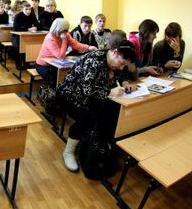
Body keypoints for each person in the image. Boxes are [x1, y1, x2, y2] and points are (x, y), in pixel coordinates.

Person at [56, 40, 138, 172]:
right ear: (115, 52)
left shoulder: (113, 61)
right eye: (122, 63)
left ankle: (100, 143)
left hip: (91, 96)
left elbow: (120, 74)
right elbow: (87, 90)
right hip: (69, 95)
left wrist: (125, 82)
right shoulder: (93, 61)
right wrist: (109, 92)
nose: (122, 67)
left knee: (112, 109)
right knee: (89, 114)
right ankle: (69, 152)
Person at [36, 18, 95, 88]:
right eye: (64, 30)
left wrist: (88, 47)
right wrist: (64, 40)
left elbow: (75, 44)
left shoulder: (65, 34)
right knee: (55, 78)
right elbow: (60, 56)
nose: (66, 32)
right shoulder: (50, 38)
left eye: (66, 30)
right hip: (44, 65)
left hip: (56, 63)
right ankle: (53, 91)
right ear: (58, 29)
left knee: (71, 74)